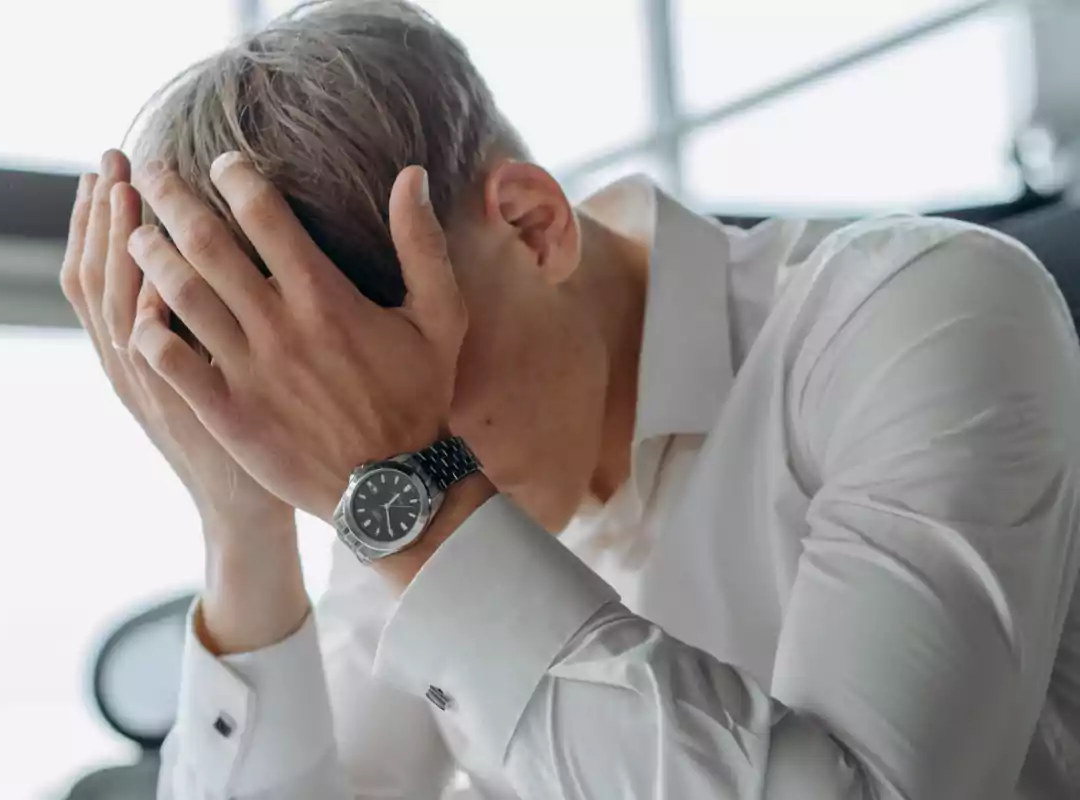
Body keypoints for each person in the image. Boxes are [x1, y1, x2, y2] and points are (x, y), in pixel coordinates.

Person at [59, 1, 1080, 797]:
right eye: (331, 426)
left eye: (405, 394)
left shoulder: (916, 311)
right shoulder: (395, 476)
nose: (375, 453)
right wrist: (241, 521)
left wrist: (416, 487)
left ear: (533, 224)